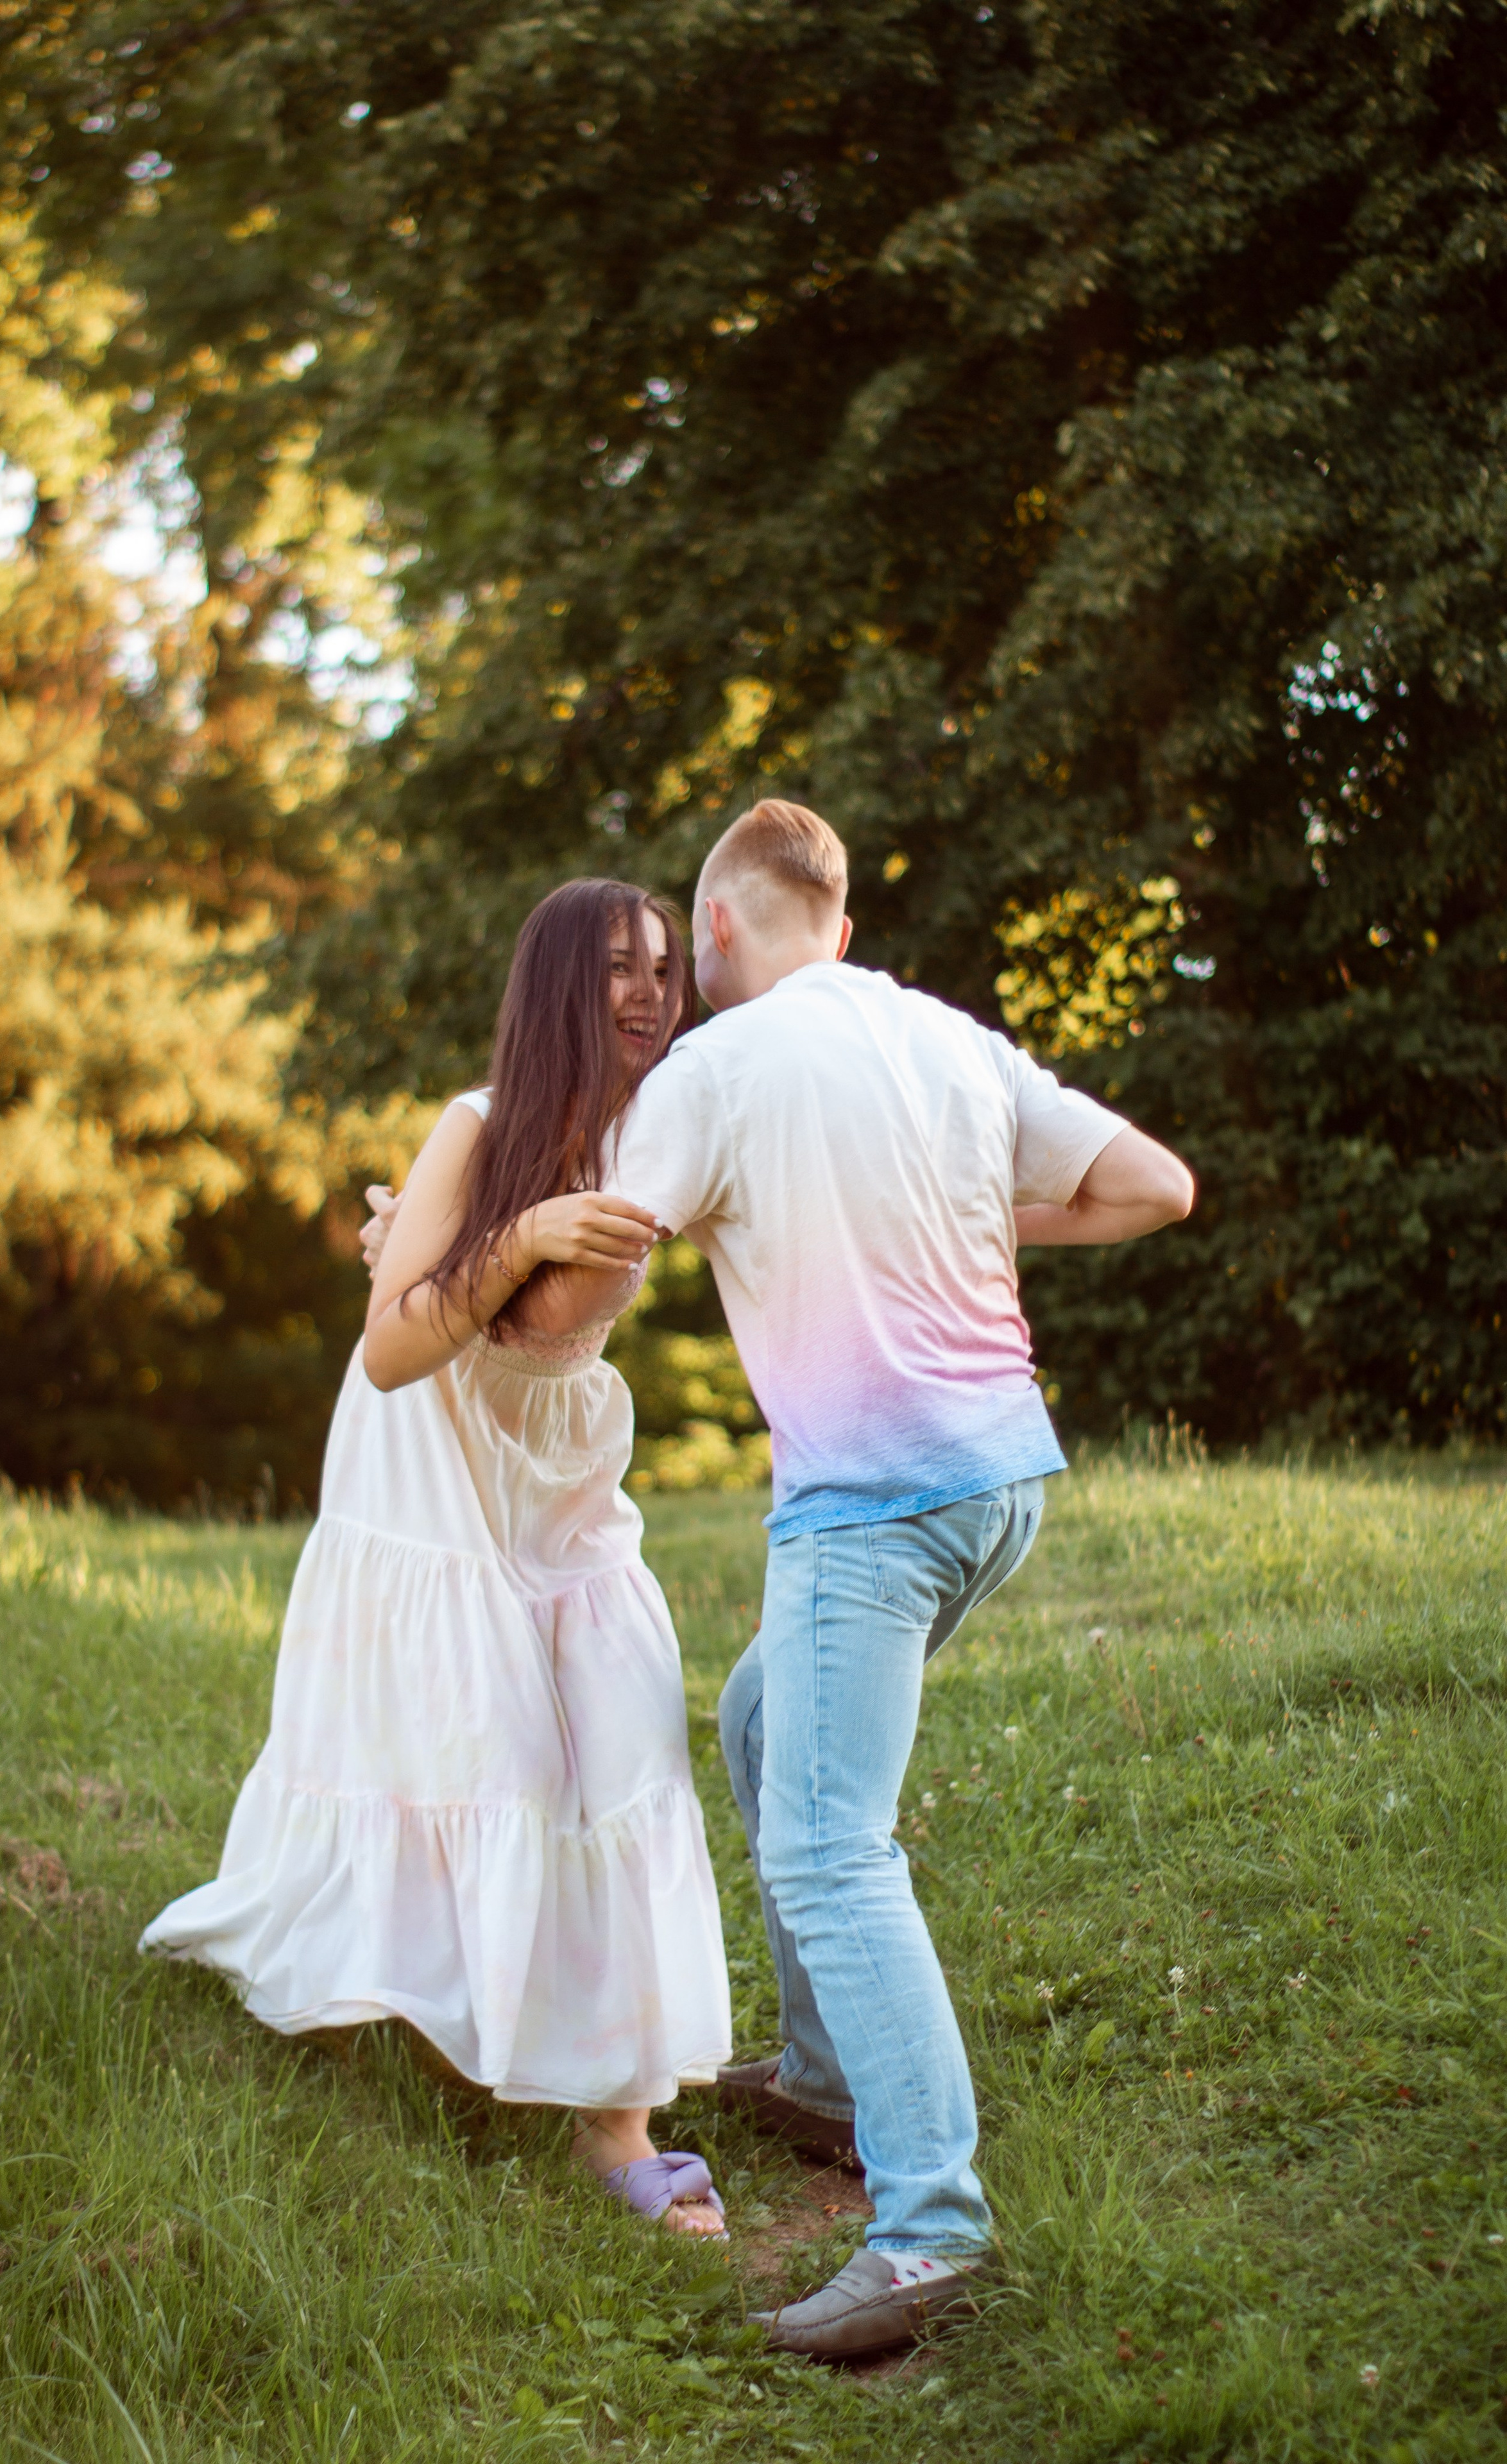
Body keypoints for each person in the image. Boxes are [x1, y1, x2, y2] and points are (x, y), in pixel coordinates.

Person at [604, 800, 1196, 2352]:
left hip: (870, 1510)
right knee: (753, 1720)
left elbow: (608, 1254)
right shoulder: (943, 1039)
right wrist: (953, 1220)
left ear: (717, 927)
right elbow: (1153, 1187)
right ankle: (820, 2082)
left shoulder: (715, 1068)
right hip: (1001, 1485)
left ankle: (929, 2226)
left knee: (824, 1843)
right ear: (839, 927)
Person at [140, 880, 734, 2239]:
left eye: (662, 968)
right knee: (480, 1748)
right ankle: (395, 2007)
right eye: (615, 969)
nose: (647, 992)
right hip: (435, 1468)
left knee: (626, 1737)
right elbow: (394, 1347)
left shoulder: (664, 1125)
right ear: (555, 990)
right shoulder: (476, 1125)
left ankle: (616, 2120)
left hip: (560, 1470)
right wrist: (507, 1235)